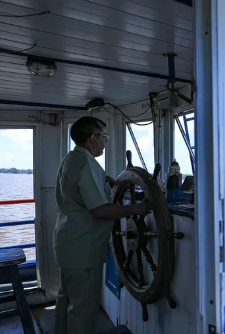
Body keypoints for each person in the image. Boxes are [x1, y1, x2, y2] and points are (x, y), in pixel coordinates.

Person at [54, 116, 149, 334]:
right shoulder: (87, 164)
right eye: (104, 136)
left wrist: (107, 180)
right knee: (84, 310)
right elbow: (99, 210)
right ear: (92, 138)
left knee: (66, 299)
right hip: (83, 250)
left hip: (68, 245)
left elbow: (81, 185)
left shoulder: (72, 159)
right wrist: (134, 209)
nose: (105, 141)